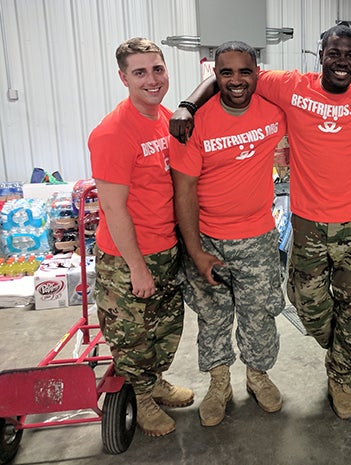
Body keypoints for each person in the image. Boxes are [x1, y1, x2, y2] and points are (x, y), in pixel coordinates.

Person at [170, 24, 351, 420]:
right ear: (320, 55)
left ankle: (340, 377)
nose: (341, 62)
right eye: (334, 53)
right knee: (309, 306)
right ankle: (334, 351)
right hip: (307, 223)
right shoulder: (290, 86)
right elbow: (228, 77)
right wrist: (188, 105)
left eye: (350, 55)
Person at [169, 41, 287, 427]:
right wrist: (196, 251)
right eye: (226, 72)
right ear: (214, 75)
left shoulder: (274, 112)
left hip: (258, 238)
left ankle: (257, 376)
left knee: (259, 314)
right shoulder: (193, 124)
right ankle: (219, 384)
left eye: (244, 71)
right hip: (209, 239)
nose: (236, 80)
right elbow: (183, 191)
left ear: (258, 72)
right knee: (214, 316)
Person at [88, 37, 193, 438]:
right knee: (133, 336)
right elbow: (113, 209)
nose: (152, 79)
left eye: (157, 69)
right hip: (128, 256)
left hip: (165, 247)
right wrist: (136, 267)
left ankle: (155, 382)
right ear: (123, 78)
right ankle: (142, 396)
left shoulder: (165, 118)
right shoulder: (113, 133)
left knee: (164, 328)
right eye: (140, 72)